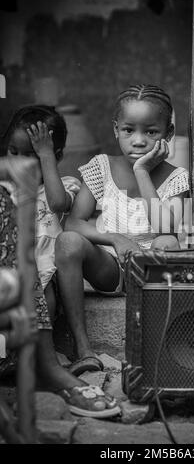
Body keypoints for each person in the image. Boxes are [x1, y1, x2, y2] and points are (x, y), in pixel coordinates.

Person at [55, 84, 190, 375]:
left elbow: (166, 227)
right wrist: (115, 238)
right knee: (67, 241)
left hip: (153, 270)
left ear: (168, 134)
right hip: (110, 267)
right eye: (129, 130)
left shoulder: (177, 177)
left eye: (151, 132)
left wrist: (142, 171)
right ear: (116, 130)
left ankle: (159, 350)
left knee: (167, 241)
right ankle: (83, 350)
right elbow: (73, 222)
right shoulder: (101, 167)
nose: (138, 141)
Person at [0, 105, 119, 418]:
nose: (18, 162)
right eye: (12, 152)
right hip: (11, 282)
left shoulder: (62, 185)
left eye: (30, 156)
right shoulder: (3, 191)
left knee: (44, 296)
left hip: (45, 279)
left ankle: (45, 360)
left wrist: (46, 156)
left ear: (55, 156)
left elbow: (56, 203)